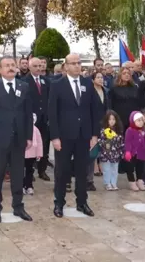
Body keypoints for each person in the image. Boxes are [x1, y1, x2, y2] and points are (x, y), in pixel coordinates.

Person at [49, 53, 100, 218]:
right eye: (73, 63)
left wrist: (94, 134)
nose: (77, 66)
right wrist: (55, 137)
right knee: (62, 171)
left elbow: (94, 110)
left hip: (83, 135)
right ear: (66, 66)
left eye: (79, 63)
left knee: (81, 170)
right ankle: (59, 203)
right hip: (64, 136)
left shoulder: (87, 84)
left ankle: (82, 202)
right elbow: (52, 113)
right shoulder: (57, 85)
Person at [0, 56, 33, 223]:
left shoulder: (24, 87)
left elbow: (27, 114)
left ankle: (18, 207)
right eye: (7, 66)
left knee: (18, 174)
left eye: (13, 65)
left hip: (19, 139)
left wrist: (29, 136)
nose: (11, 68)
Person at [24, 58, 51, 182]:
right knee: (30, 145)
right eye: (35, 66)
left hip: (44, 119)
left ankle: (42, 170)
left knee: (44, 145)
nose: (38, 68)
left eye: (40, 65)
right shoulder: (24, 82)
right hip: (30, 120)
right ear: (29, 67)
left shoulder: (46, 81)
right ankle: (29, 170)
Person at [123, 111, 145, 191]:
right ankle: (132, 182)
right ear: (133, 121)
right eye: (138, 120)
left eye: (142, 120)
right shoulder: (129, 130)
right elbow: (127, 141)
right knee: (130, 168)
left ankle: (140, 181)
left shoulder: (143, 130)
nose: (141, 122)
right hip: (132, 154)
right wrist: (128, 151)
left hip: (141, 153)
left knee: (141, 168)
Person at [97, 111, 124, 190]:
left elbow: (121, 142)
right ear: (106, 120)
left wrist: (121, 152)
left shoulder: (118, 131)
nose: (112, 121)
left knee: (114, 169)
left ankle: (113, 183)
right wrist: (106, 141)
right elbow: (100, 141)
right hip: (105, 154)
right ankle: (107, 183)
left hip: (115, 154)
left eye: (113, 119)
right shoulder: (103, 131)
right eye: (109, 119)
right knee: (106, 169)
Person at [24, 114, 42, 195]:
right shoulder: (21, 128)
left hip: (32, 154)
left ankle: (29, 186)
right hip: (22, 154)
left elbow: (39, 143)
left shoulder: (36, 130)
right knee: (21, 171)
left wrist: (39, 154)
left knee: (29, 171)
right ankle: (21, 185)